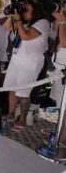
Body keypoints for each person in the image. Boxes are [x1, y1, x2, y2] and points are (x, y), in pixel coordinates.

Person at [3, 0, 50, 131]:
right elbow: (6, 28)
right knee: (12, 88)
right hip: (17, 58)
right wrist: (12, 15)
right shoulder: (23, 22)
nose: (24, 12)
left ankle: (22, 120)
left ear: (35, 11)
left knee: (23, 93)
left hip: (31, 61)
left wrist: (18, 20)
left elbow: (25, 36)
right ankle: (11, 114)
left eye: (26, 10)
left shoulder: (43, 23)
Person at [50, 10, 66, 145]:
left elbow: (65, 42)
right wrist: (59, 18)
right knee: (60, 103)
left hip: (64, 69)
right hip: (60, 67)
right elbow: (55, 31)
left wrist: (62, 21)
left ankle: (62, 140)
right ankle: (60, 133)